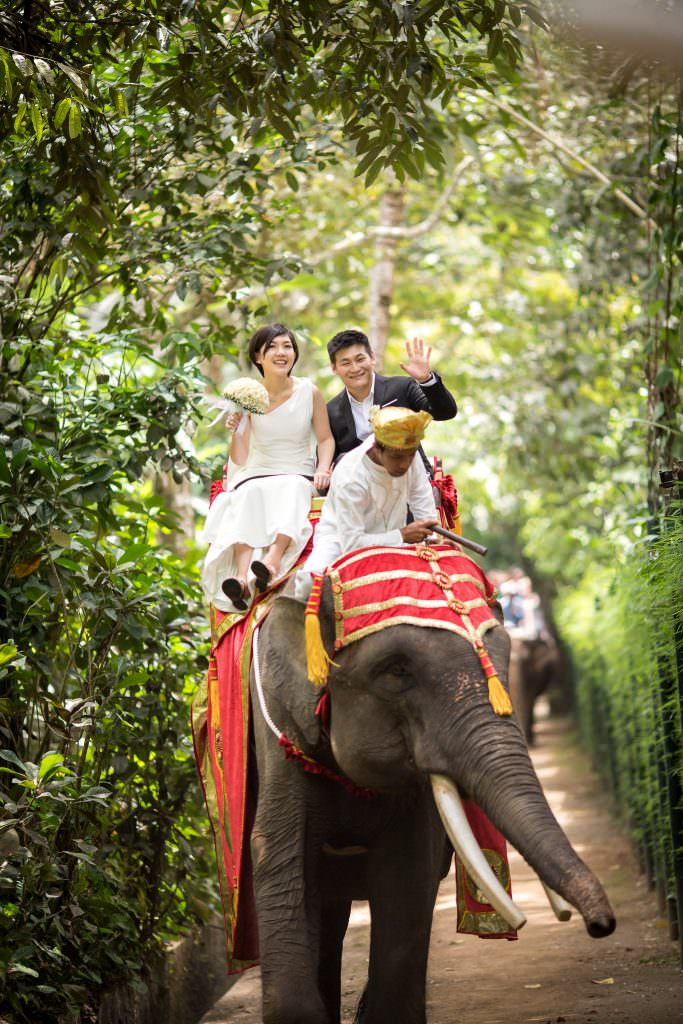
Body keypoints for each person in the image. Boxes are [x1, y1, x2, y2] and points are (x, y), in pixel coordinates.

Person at [202, 323, 335, 612]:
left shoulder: (308, 391)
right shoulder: (248, 397)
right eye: (272, 347)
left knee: (293, 486)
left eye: (287, 346)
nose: (281, 352)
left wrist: (324, 467)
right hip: (255, 470)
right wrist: (236, 427)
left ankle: (272, 560)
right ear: (258, 357)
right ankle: (239, 577)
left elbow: (325, 439)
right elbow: (239, 457)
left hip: (296, 469)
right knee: (249, 492)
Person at [298, 406, 439, 589]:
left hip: (398, 542)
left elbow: (423, 506)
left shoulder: (408, 454)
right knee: (307, 584)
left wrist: (434, 538)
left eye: (410, 456)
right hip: (341, 543)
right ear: (377, 448)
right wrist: (402, 535)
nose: (405, 464)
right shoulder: (351, 475)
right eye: (397, 457)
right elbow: (353, 543)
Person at [325, 329, 457, 468]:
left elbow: (445, 412)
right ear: (334, 368)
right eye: (346, 363)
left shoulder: (401, 387)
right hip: (361, 486)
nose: (355, 368)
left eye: (360, 359)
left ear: (372, 357)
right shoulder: (330, 411)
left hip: (410, 478)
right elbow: (330, 458)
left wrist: (426, 379)